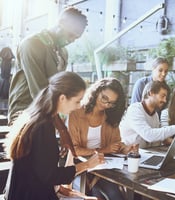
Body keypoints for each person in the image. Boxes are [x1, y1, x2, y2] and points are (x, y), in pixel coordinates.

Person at [4, 71, 104, 200]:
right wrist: (87, 165)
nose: (79, 107)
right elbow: (49, 175)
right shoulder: (42, 126)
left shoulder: (37, 116)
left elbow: (39, 170)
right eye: (77, 101)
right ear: (62, 98)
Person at [8, 7, 88, 125]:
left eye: (76, 38)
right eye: (70, 34)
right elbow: (39, 91)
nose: (72, 40)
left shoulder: (63, 53)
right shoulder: (31, 44)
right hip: (25, 112)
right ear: (60, 23)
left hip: (49, 113)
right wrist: (60, 119)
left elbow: (58, 86)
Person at [69, 78, 136, 200]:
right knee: (103, 196)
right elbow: (73, 150)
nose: (106, 105)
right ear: (96, 91)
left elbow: (116, 143)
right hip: (82, 167)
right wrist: (103, 150)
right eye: (104, 98)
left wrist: (125, 149)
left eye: (111, 103)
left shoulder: (110, 115)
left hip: (104, 168)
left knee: (117, 196)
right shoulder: (76, 113)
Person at [120, 81, 175, 148]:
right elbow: (149, 135)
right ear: (150, 93)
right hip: (128, 155)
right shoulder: (135, 109)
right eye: (162, 96)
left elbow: (156, 138)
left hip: (144, 154)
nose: (165, 100)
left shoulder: (155, 115)